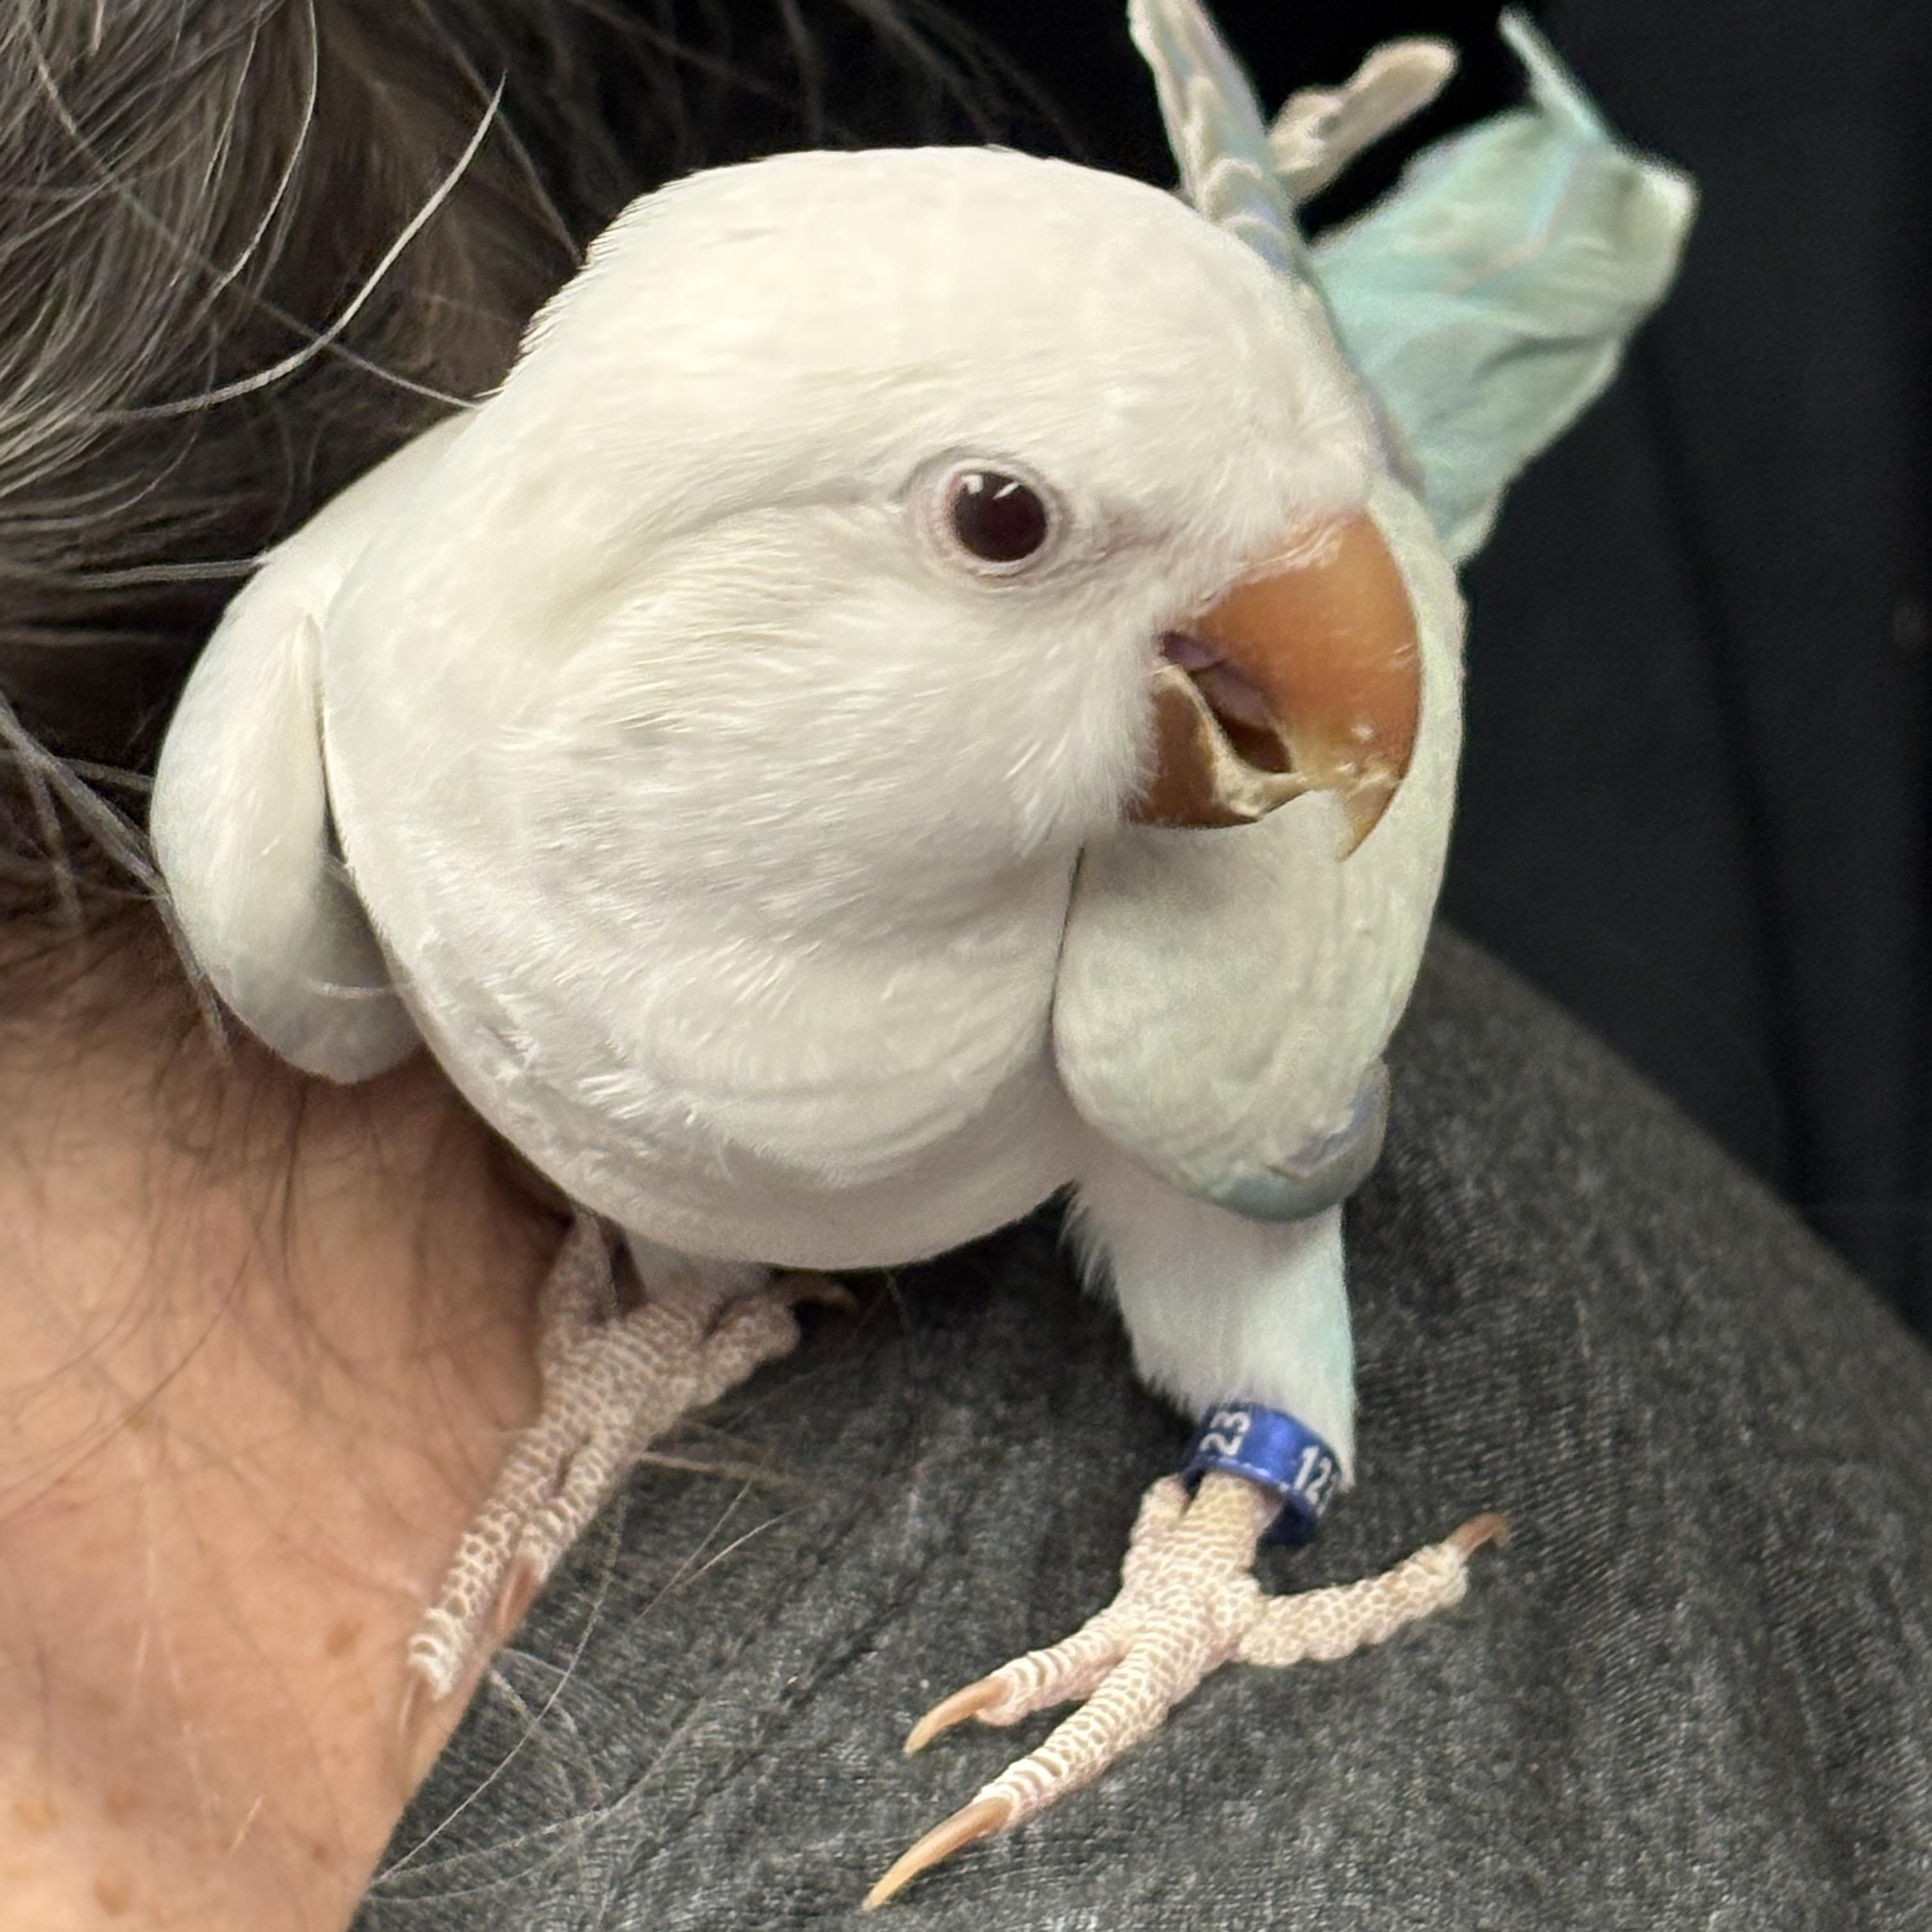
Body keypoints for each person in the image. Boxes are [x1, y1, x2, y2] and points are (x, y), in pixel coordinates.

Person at [0, 5, 1924, 1928]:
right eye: (999, 525)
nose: (1316, 614)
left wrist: (1200, 1579)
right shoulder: (302, 746)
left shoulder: (1177, 945)